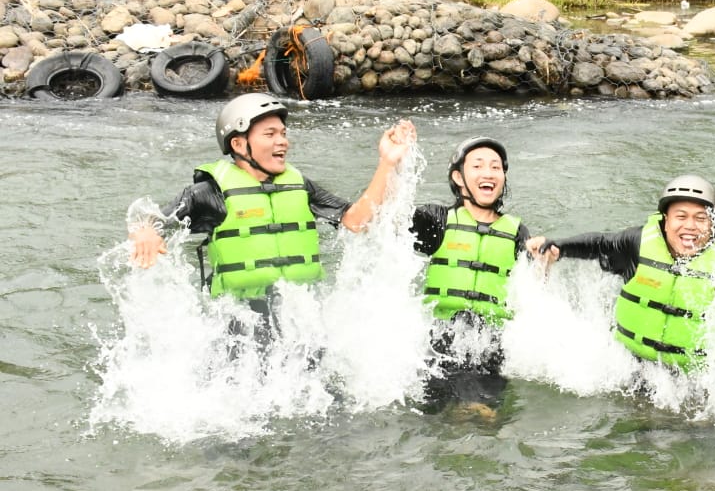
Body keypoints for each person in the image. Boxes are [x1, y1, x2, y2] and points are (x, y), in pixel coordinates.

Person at [128, 93, 414, 309]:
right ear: (239, 144)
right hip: (237, 324)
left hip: (298, 319)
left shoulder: (300, 186)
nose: (283, 142)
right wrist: (146, 232)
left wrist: (387, 163)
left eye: (283, 134)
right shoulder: (209, 193)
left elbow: (357, 220)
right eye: (270, 134)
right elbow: (148, 220)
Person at [528, 175, 715, 372]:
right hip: (634, 368)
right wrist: (558, 246)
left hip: (693, 378)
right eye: (681, 216)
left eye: (700, 218)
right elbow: (599, 244)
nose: (690, 226)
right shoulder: (639, 243)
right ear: (665, 220)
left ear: (713, 225)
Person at [409, 136, 534, 378]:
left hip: (491, 346)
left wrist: (544, 264)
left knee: (481, 414)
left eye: (495, 167)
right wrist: (390, 164)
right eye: (477, 166)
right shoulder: (437, 220)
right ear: (458, 177)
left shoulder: (518, 232)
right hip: (440, 343)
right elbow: (387, 217)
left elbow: (532, 294)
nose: (488, 173)